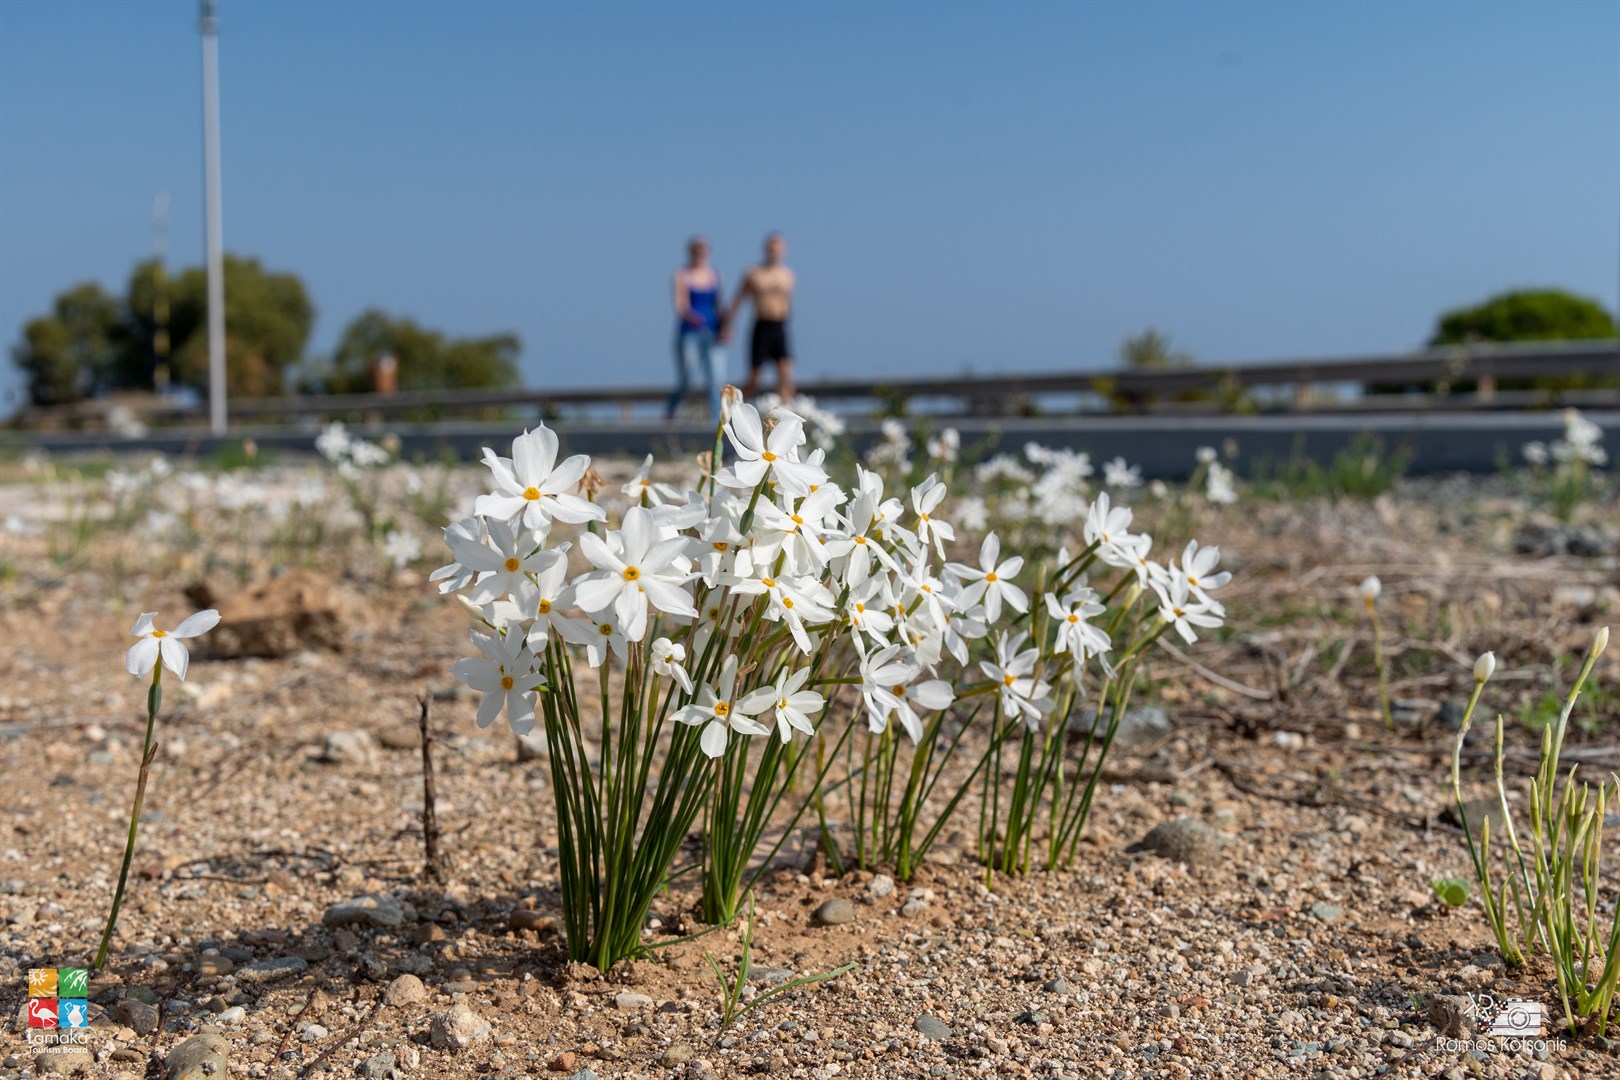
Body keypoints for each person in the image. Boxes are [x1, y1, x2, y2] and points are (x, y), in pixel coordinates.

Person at [724, 232, 796, 402]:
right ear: (766, 250)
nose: (774, 252)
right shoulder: (754, 273)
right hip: (762, 326)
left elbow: (788, 302)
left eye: (778, 249)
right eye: (771, 249)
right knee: (755, 377)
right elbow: (738, 300)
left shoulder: (788, 275)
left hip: (780, 326)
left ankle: (788, 412)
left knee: (786, 372)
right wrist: (727, 325)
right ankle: (731, 404)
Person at [667, 236, 725, 420]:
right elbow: (681, 306)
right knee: (688, 378)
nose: (699, 254)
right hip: (690, 333)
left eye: (703, 250)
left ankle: (715, 421)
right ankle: (670, 413)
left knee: (716, 380)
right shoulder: (681, 275)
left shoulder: (715, 275)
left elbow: (719, 305)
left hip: (712, 332)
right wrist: (694, 318)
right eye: (696, 250)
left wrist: (725, 327)